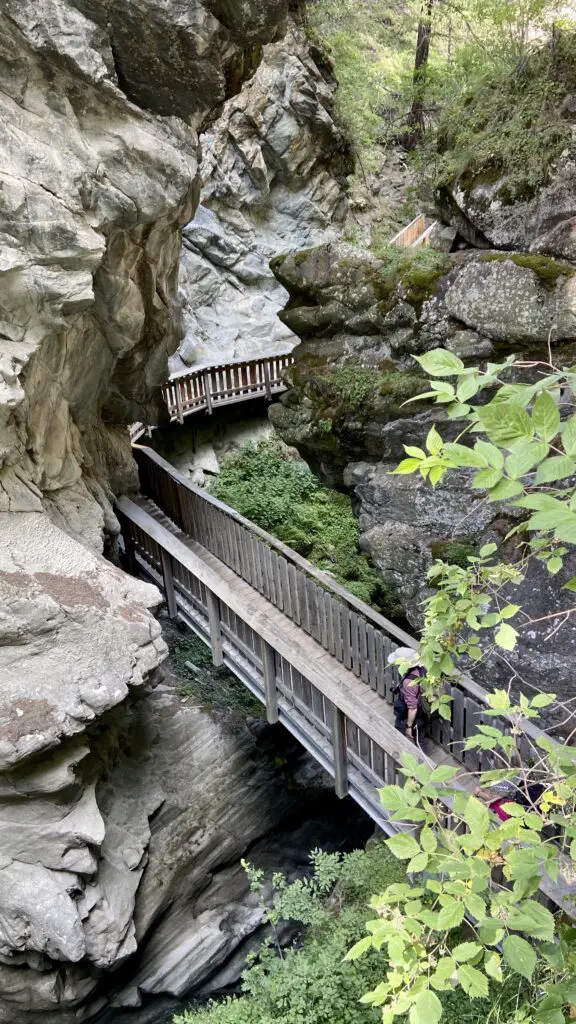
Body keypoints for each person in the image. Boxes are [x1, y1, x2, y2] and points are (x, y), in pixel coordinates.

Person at [388, 646, 429, 747]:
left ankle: (401, 748)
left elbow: (412, 708)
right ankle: (422, 750)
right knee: (421, 733)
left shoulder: (408, 682)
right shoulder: (422, 668)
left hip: (415, 711)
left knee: (400, 727)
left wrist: (408, 726)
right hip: (426, 707)